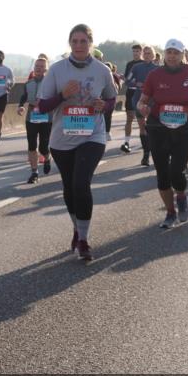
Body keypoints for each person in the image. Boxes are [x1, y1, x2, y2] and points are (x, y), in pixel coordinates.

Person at [37, 24, 117, 262]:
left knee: (81, 184)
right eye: (75, 41)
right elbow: (42, 106)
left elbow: (112, 100)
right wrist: (62, 95)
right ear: (69, 43)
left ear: (90, 44)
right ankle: (76, 228)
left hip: (93, 135)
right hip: (62, 138)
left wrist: (104, 105)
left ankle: (83, 239)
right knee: (70, 188)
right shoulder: (57, 70)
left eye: (84, 41)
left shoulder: (102, 70)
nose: (79, 45)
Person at [136, 39, 188, 229]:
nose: (172, 56)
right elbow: (142, 101)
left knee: (177, 171)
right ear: (164, 54)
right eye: (169, 52)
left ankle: (181, 196)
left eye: (176, 52)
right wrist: (142, 107)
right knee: (162, 174)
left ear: (183, 54)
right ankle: (170, 212)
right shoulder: (154, 74)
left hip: (184, 127)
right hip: (158, 127)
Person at [18, 56, 51, 183]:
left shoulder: (50, 83)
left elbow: (56, 99)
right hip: (31, 116)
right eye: (37, 66)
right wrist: (21, 106)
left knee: (43, 147)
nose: (38, 68)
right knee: (32, 145)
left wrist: (44, 103)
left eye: (42, 66)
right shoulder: (29, 83)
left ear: (46, 69)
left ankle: (47, 158)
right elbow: (23, 96)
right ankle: (34, 172)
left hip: (46, 117)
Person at [126, 46, 161, 166]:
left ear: (153, 55)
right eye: (145, 53)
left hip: (153, 102)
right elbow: (127, 81)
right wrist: (136, 83)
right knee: (142, 126)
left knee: (151, 127)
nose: (146, 55)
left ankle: (155, 152)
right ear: (142, 55)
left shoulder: (157, 69)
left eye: (149, 53)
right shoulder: (136, 67)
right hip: (138, 99)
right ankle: (146, 154)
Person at [120, 44, 144, 154]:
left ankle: (145, 143)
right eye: (134, 51)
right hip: (130, 92)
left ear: (141, 52)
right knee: (129, 118)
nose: (135, 53)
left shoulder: (145, 64)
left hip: (142, 94)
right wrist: (130, 81)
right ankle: (126, 142)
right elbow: (126, 79)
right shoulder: (129, 64)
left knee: (142, 121)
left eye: (137, 51)